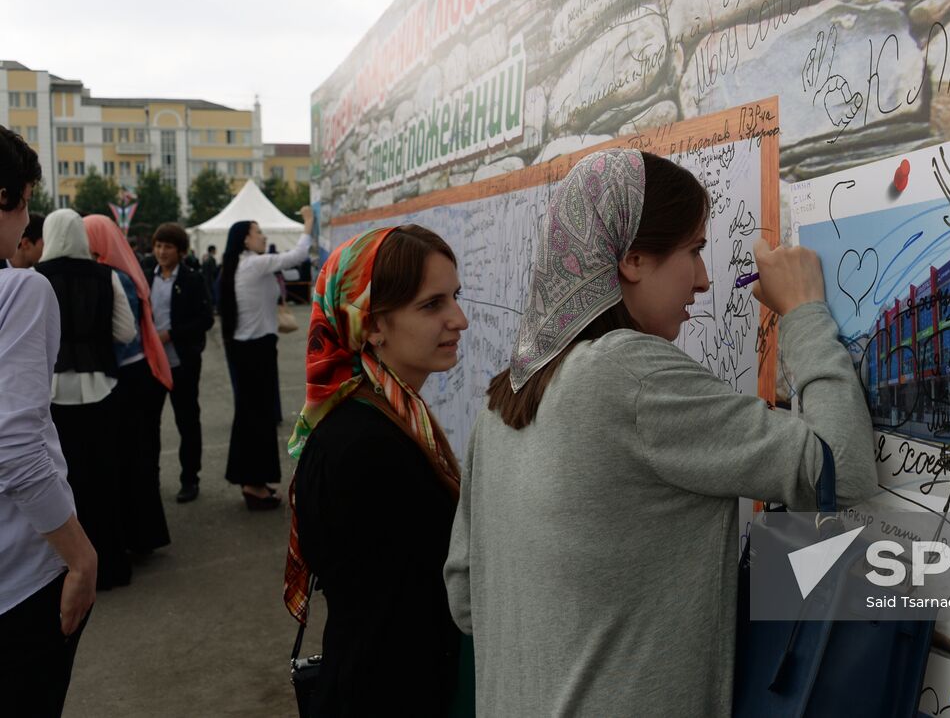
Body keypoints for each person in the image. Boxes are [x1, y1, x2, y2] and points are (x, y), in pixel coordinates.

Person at [442, 149, 878, 715]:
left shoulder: (503, 402)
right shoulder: (628, 374)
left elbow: (465, 598)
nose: (703, 279)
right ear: (631, 258)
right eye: (694, 250)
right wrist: (803, 312)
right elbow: (840, 468)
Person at [283, 224, 467, 717]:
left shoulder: (387, 417)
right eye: (432, 305)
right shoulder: (364, 445)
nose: (460, 319)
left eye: (455, 297)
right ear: (372, 323)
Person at [0, 128, 97, 717]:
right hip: (19, 574)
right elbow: (14, 446)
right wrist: (80, 555)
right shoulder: (20, 291)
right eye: (25, 203)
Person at [36, 210, 138, 590]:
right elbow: (126, 331)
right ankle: (111, 565)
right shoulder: (106, 274)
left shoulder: (35, 278)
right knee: (104, 479)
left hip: (51, 395)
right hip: (101, 388)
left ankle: (66, 568)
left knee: (61, 484)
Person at [86, 215, 174, 557]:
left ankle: (141, 535)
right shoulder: (125, 273)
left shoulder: (113, 278)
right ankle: (146, 533)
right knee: (142, 455)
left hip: (128, 375)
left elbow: (121, 336)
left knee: (133, 457)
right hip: (143, 374)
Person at [221, 209, 312, 509]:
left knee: (252, 417)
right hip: (256, 351)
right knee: (257, 419)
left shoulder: (240, 266)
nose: (264, 236)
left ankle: (254, 482)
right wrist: (308, 223)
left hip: (248, 350)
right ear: (246, 239)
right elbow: (298, 255)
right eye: (258, 232)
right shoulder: (254, 264)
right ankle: (253, 485)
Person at [144, 223, 215, 503]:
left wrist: (171, 334)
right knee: (149, 425)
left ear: (181, 251)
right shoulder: (145, 277)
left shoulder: (192, 279)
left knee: (187, 422)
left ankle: (190, 478)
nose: (162, 252)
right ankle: (151, 477)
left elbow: (206, 319)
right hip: (151, 365)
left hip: (182, 363)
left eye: (168, 246)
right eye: (158, 246)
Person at [201, 244, 219, 309]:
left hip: (205, 279)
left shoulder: (205, 258)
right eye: (215, 250)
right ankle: (212, 307)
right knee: (212, 294)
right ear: (212, 250)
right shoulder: (212, 259)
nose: (216, 251)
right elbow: (214, 271)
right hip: (211, 279)